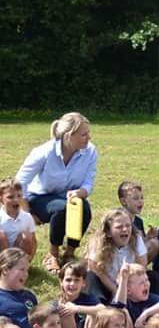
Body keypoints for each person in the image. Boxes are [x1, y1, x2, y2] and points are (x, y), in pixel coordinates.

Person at [15, 112, 96, 275]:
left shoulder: (91, 151)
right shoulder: (44, 152)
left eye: (88, 133)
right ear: (68, 136)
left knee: (85, 209)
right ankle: (52, 254)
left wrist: (81, 192)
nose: (89, 137)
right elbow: (19, 182)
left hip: (68, 197)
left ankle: (70, 253)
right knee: (62, 208)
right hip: (38, 198)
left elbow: (89, 181)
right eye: (84, 134)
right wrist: (26, 213)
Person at [86, 208, 148, 300]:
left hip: (130, 284)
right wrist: (115, 289)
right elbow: (96, 269)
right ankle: (98, 305)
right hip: (105, 283)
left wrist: (126, 289)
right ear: (108, 232)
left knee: (153, 276)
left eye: (128, 225)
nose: (125, 229)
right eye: (119, 227)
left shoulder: (137, 239)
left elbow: (141, 265)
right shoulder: (98, 243)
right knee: (91, 276)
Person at [56, 260, 106, 328]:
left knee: (94, 314)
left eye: (77, 280)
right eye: (68, 280)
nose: (72, 284)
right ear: (61, 282)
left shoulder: (88, 298)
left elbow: (103, 309)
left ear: (83, 283)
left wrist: (76, 309)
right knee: (64, 310)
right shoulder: (57, 304)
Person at [117, 181, 159, 264]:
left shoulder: (138, 221)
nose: (140, 201)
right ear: (123, 201)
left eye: (142, 198)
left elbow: (140, 245)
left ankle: (138, 271)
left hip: (133, 257)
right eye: (136, 198)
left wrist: (148, 237)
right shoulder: (117, 219)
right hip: (117, 257)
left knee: (154, 243)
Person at [0, 248, 37, 328]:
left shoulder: (29, 296)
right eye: (22, 269)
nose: (26, 274)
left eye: (27, 270)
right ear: (5, 270)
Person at [0, 179, 37, 258]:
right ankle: (3, 267)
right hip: (2, 256)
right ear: (1, 199)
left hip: (19, 255)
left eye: (19, 196)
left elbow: (33, 242)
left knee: (27, 236)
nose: (16, 200)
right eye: (10, 197)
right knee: (1, 236)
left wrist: (27, 262)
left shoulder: (27, 217)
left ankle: (20, 267)